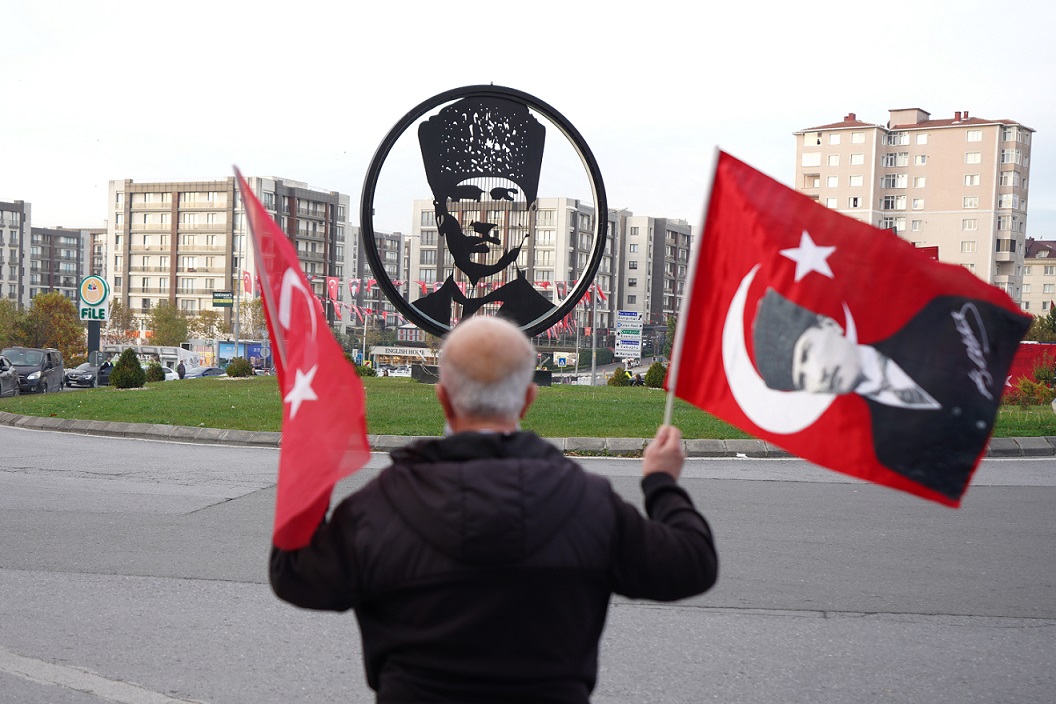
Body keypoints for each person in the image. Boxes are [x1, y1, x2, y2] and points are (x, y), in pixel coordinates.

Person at [270, 316, 718, 703]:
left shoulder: (378, 506)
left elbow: (295, 573)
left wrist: (313, 461)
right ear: (527, 399)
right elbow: (692, 564)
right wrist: (661, 482)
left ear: (443, 398)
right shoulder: (591, 502)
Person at [752, 288, 1029, 499]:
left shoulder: (937, 318)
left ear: (829, 325)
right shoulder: (883, 448)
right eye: (803, 378)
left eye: (808, 352)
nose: (817, 373)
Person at [413, 97, 557, 328]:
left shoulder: (543, 314)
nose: (483, 222)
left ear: (530, 218)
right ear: (440, 216)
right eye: (467, 199)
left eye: (504, 198)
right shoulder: (421, 312)